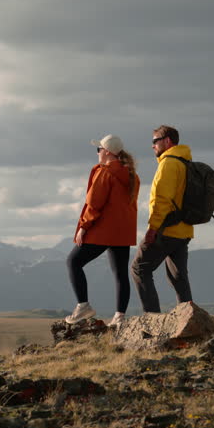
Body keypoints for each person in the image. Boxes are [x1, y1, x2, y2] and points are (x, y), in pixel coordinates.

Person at [65, 134, 140, 327]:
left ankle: (83, 306)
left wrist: (83, 226)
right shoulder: (132, 175)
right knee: (120, 273)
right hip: (122, 231)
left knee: (73, 261)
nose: (97, 153)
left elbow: (94, 204)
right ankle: (119, 317)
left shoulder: (104, 173)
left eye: (99, 149)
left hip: (103, 230)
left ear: (106, 152)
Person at [131, 125, 194, 312]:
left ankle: (153, 320)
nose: (152, 146)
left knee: (139, 269)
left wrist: (153, 228)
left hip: (166, 229)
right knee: (178, 276)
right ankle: (189, 317)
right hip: (184, 229)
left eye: (154, 141)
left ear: (167, 141)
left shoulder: (168, 163)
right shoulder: (186, 163)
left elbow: (161, 200)